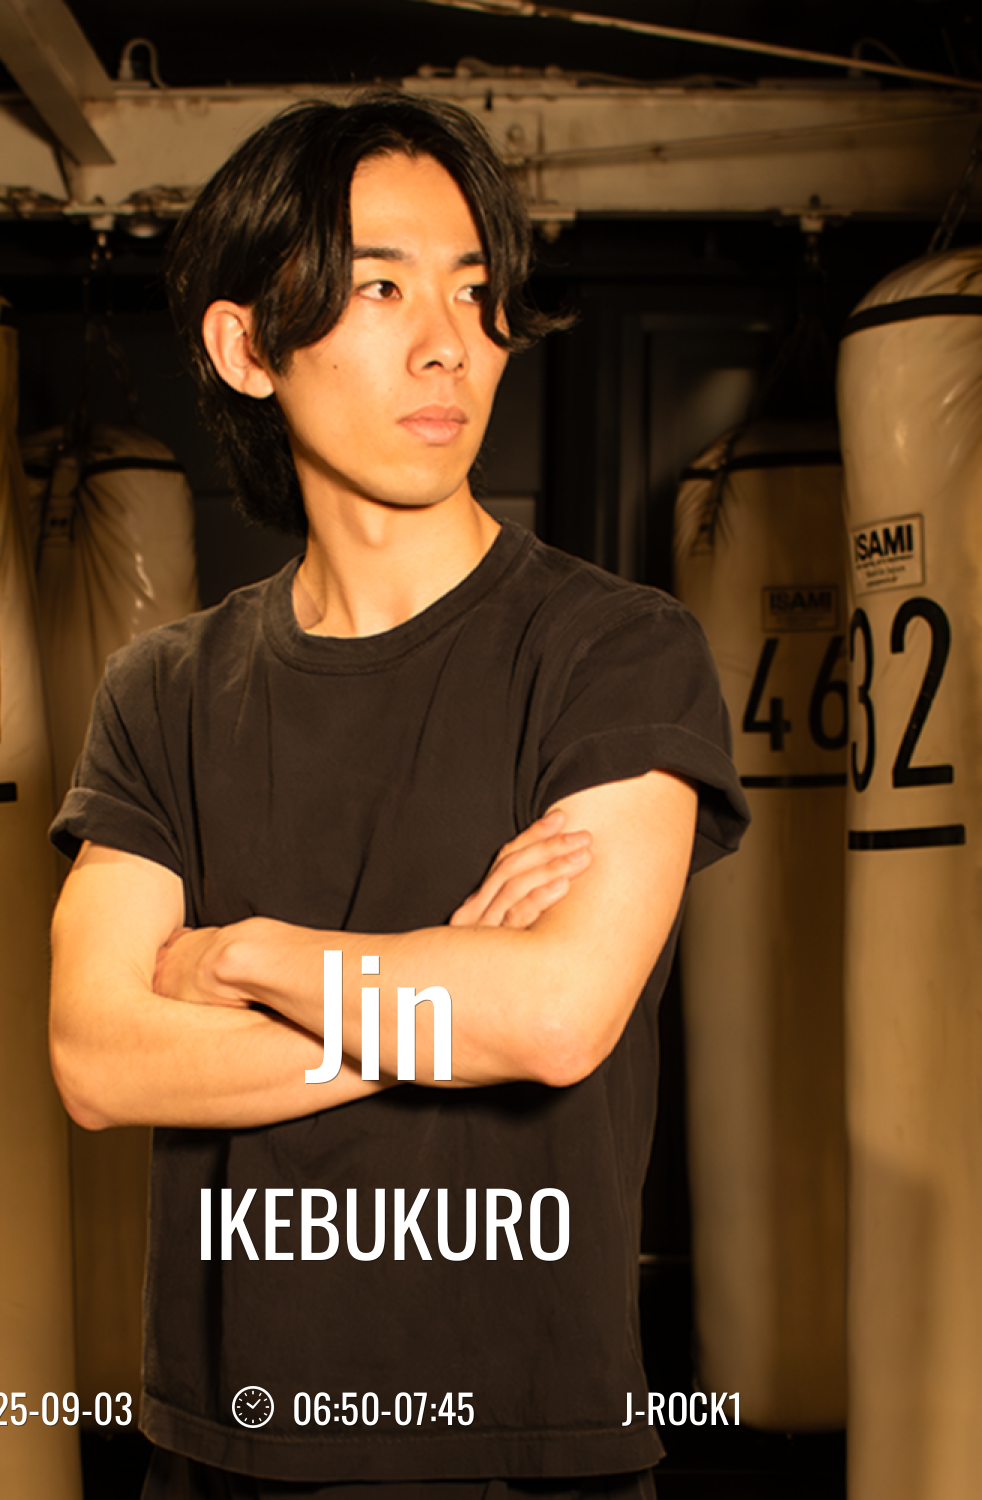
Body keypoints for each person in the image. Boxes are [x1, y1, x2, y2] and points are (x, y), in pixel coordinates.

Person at [48, 91, 748, 1500]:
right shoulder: (163, 691)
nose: (452, 343)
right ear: (248, 347)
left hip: (521, 1453)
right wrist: (441, 1000)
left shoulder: (616, 653)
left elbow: (556, 1019)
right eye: (381, 287)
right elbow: (100, 1059)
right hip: (221, 1451)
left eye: (477, 293)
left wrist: (245, 959)